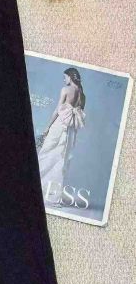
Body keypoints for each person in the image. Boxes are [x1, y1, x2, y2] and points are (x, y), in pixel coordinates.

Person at [38, 67, 86, 205]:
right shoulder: (83, 95)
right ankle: (52, 195)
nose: (64, 80)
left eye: (65, 77)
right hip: (71, 129)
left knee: (46, 153)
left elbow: (57, 110)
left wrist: (47, 127)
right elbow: (79, 113)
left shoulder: (65, 90)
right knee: (62, 159)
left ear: (70, 77)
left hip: (60, 125)